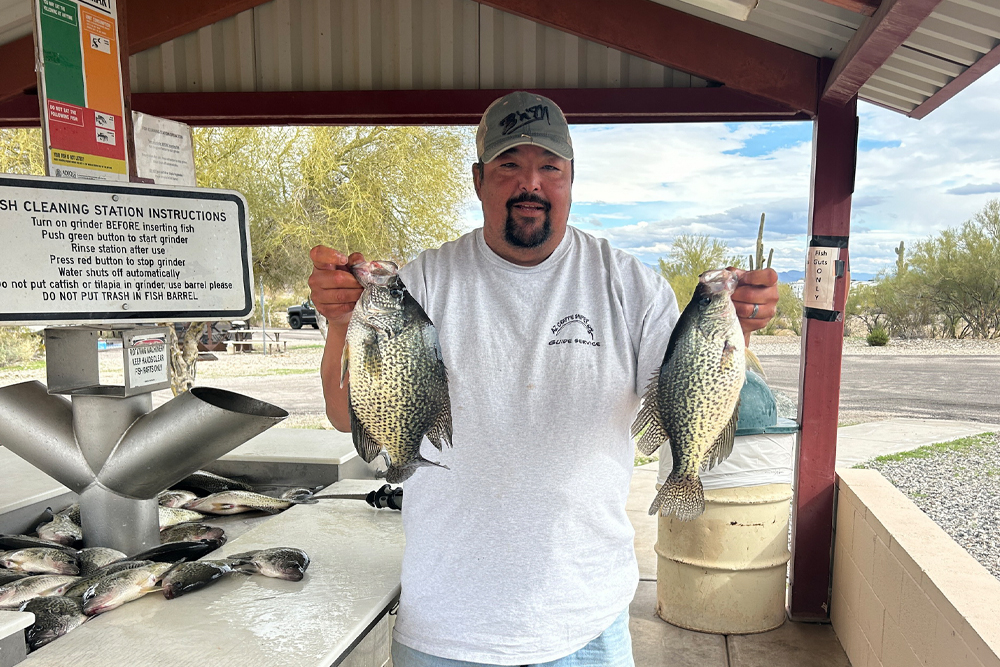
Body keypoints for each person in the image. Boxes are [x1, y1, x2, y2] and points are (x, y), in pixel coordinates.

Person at [309, 91, 779, 667]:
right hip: (446, 622)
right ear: (480, 180)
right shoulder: (421, 282)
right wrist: (339, 326)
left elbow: (694, 387)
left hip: (587, 620)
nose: (530, 183)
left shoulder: (630, 283)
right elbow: (344, 415)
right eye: (509, 165)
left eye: (549, 167)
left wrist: (742, 332)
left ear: (571, 178)